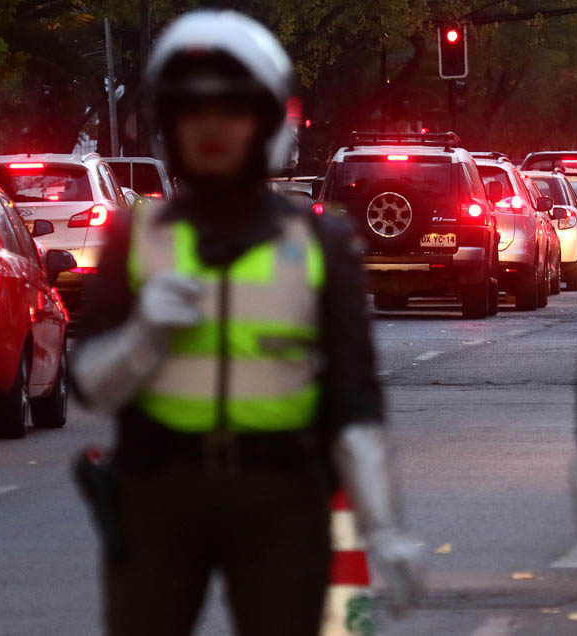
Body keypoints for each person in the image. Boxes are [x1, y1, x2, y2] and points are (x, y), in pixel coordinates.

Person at [69, 10, 422, 636]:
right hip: (158, 493)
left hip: (283, 497)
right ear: (169, 124)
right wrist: (143, 337)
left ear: (264, 120)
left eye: (231, 109)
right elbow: (91, 386)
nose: (212, 127)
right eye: (193, 110)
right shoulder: (136, 235)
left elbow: (355, 402)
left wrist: (383, 526)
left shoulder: (320, 243)